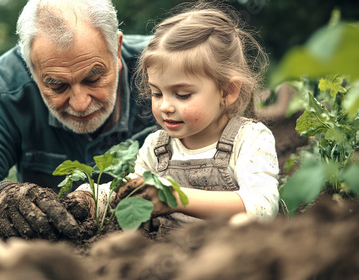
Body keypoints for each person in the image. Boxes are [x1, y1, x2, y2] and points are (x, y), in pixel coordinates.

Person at [0, 0, 158, 239]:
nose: (80, 104)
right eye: (57, 85)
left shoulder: (167, 69)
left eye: (93, 79)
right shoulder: (3, 88)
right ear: (30, 67)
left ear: (117, 49)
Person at [112, 2, 280, 222]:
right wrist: (91, 196)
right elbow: (131, 194)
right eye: (157, 93)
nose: (165, 106)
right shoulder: (156, 147)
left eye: (182, 95)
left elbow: (262, 207)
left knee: (242, 223)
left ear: (227, 92)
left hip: (233, 252)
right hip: (167, 253)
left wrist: (174, 197)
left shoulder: (248, 140)